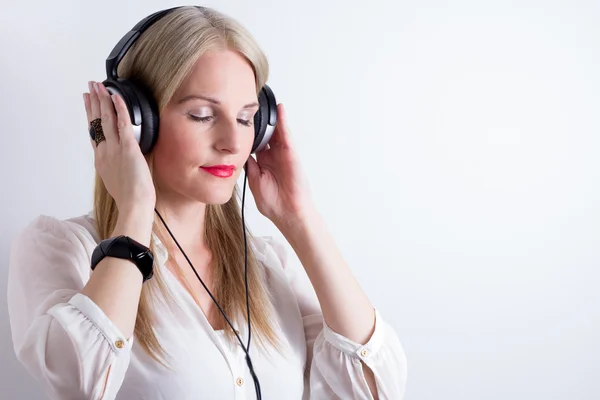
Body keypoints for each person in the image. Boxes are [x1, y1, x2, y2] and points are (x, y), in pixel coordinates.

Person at [7, 5, 407, 399]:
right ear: (135, 121)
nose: (233, 143)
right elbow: (79, 382)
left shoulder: (270, 266)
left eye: (247, 118)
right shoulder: (60, 248)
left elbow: (373, 391)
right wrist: (134, 208)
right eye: (201, 115)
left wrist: (301, 219)